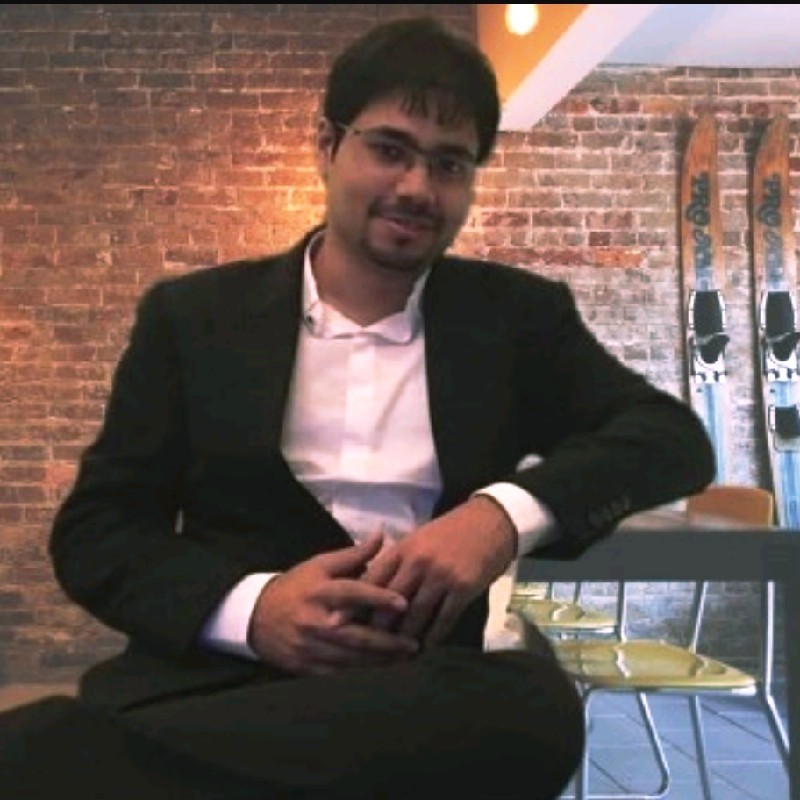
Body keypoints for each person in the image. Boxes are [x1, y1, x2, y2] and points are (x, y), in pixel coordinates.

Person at [0, 15, 715, 800]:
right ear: (327, 144)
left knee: (535, 706)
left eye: (449, 164)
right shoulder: (194, 318)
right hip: (222, 679)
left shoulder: (516, 320)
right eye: (390, 149)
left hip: (414, 684)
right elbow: (98, 531)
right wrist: (253, 610)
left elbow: (668, 439)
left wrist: (499, 518)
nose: (417, 188)